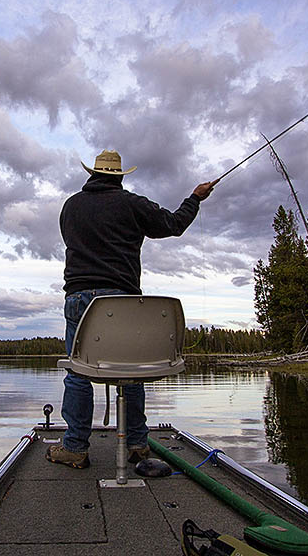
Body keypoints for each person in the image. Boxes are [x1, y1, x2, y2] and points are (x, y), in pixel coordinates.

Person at [47, 149, 216, 469]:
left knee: (78, 372)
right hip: (125, 302)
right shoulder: (133, 204)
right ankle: (137, 443)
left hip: (81, 302)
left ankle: (75, 447)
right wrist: (195, 197)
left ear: (92, 174)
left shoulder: (70, 206)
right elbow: (174, 224)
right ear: (119, 176)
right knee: (132, 371)